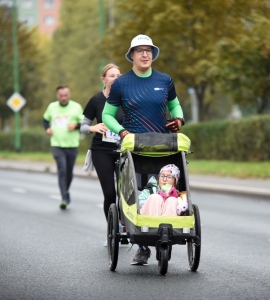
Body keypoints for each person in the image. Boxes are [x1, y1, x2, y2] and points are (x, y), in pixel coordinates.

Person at [102, 34, 185, 265]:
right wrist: (121, 131)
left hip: (163, 147)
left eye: (148, 50)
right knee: (137, 195)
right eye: (140, 50)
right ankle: (142, 248)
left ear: (153, 54)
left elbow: (175, 105)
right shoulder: (121, 83)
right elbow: (107, 115)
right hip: (134, 147)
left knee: (164, 191)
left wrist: (179, 119)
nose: (145, 54)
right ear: (132, 55)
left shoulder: (165, 80)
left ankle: (164, 235)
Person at [80, 63, 123, 247]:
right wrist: (92, 127)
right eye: (111, 75)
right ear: (103, 79)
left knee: (126, 194)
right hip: (101, 151)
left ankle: (128, 229)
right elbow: (82, 126)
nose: (115, 78)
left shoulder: (126, 99)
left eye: (118, 75)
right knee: (110, 193)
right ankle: (113, 231)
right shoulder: (96, 100)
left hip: (124, 150)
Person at [43, 85, 83, 210]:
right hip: (56, 144)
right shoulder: (52, 107)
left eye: (66, 95)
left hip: (72, 145)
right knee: (62, 169)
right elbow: (45, 120)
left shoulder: (76, 107)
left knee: (69, 173)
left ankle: (66, 190)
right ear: (57, 96)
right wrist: (47, 128)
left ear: (69, 95)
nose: (64, 98)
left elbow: (84, 123)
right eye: (61, 96)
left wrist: (76, 126)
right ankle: (64, 198)